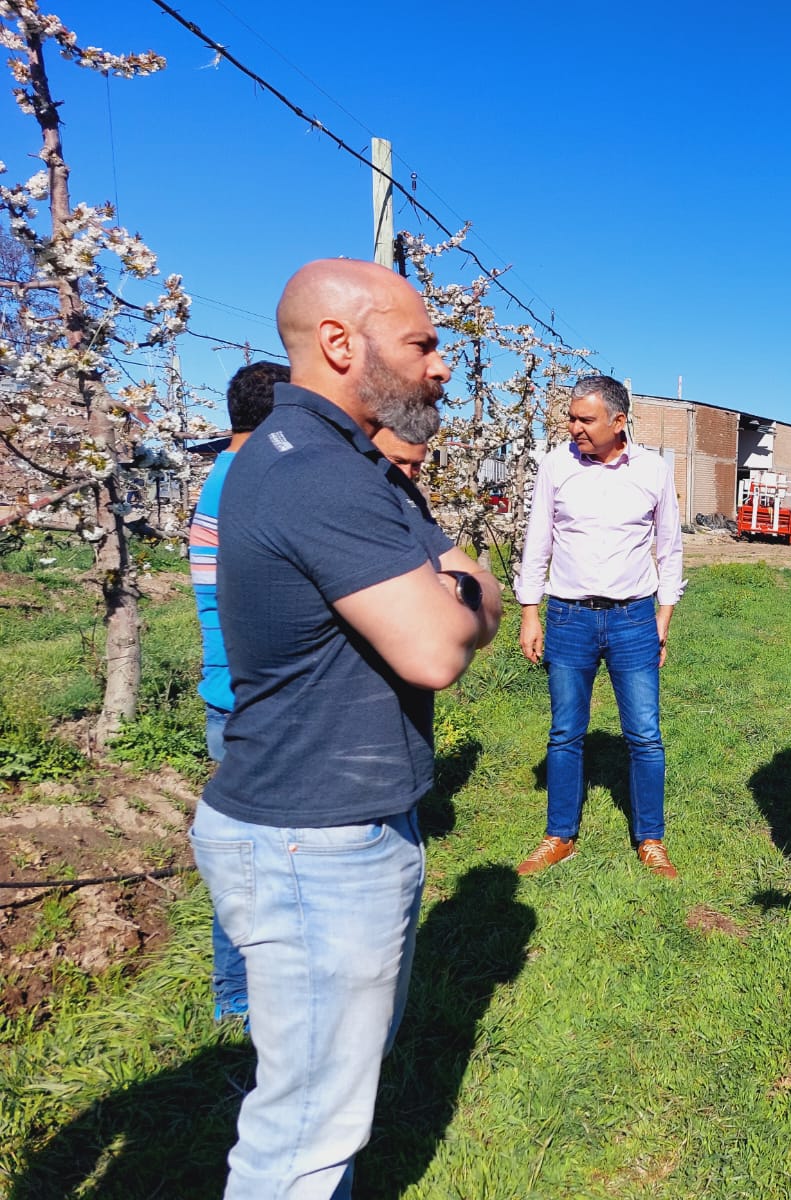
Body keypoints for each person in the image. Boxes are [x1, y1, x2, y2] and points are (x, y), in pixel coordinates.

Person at [189, 258, 501, 1199]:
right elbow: (439, 647)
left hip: (336, 827)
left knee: (330, 1106)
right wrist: (459, 596)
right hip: (312, 844)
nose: (442, 366)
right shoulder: (317, 473)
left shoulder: (352, 466)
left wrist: (457, 592)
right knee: (302, 1137)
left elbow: (469, 587)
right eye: (421, 344)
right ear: (338, 342)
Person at [512, 374, 684, 879]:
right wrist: (529, 611)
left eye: (585, 419)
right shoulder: (556, 466)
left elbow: (670, 548)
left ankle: (650, 839)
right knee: (565, 732)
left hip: (634, 618)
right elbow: (537, 541)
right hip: (569, 618)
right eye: (571, 418)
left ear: (618, 421)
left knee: (645, 735)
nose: (574, 427)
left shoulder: (652, 471)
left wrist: (663, 617)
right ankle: (559, 835)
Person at [186, 358, 289, 1024]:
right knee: (257, 867)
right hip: (254, 701)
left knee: (252, 862)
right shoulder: (252, 485)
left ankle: (242, 996)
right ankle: (240, 998)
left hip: (231, 696)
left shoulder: (223, 477)